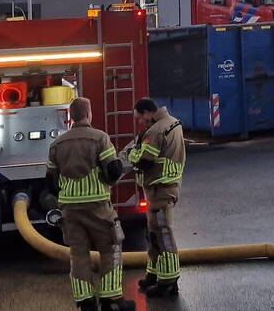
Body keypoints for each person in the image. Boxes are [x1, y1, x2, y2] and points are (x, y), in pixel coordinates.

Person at [46, 97, 133, 311]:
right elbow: (113, 171)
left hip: (69, 210)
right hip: (98, 207)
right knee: (110, 248)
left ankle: (85, 302)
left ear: (70, 117)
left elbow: (50, 181)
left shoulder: (56, 144)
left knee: (78, 253)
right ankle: (111, 300)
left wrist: (66, 194)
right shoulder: (100, 138)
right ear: (89, 114)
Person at [123, 98, 186, 298]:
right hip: (163, 188)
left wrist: (131, 155)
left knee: (162, 235)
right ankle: (154, 274)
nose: (140, 121)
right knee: (153, 235)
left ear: (147, 112)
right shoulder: (173, 122)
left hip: (160, 188)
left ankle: (168, 282)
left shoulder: (156, 131)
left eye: (140, 117)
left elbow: (146, 161)